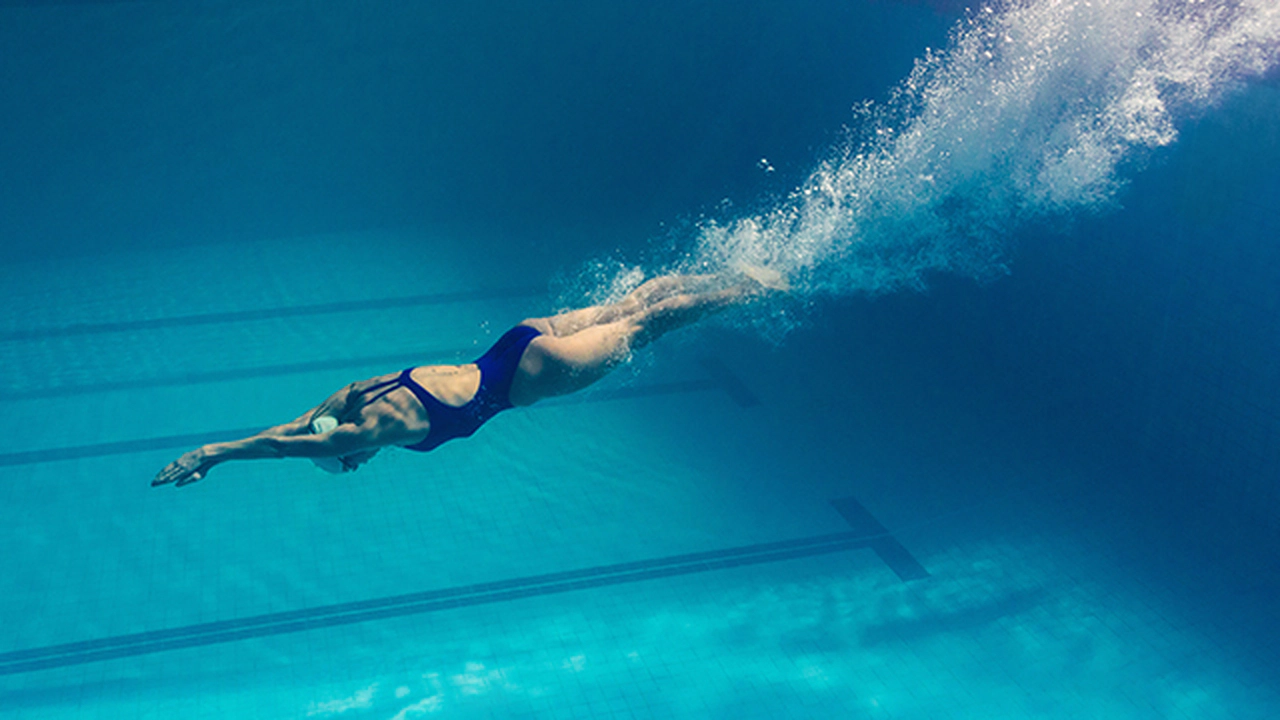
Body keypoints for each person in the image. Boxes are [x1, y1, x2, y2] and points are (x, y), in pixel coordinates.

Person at [152, 269, 785, 488]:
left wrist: (213, 454)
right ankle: (727, 271)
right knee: (632, 305)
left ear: (345, 450)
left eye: (351, 464)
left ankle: (752, 287)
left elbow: (285, 446)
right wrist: (220, 450)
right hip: (516, 340)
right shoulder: (351, 396)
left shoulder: (365, 431)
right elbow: (298, 426)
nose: (361, 464)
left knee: (645, 327)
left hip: (535, 375)